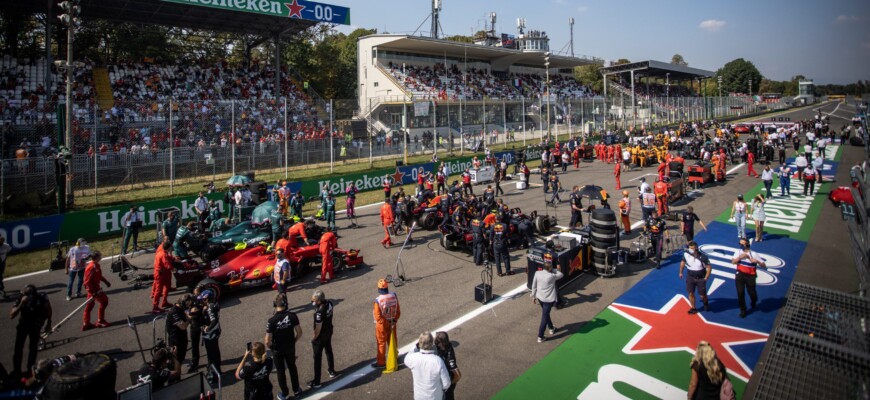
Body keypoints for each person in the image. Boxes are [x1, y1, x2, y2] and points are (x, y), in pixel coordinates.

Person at [10, 284, 52, 376]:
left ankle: (30, 368)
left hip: (35, 326)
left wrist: (49, 322)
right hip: (23, 326)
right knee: (18, 349)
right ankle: (17, 370)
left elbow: (48, 309)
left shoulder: (42, 297)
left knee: (33, 348)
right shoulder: (21, 298)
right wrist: (21, 303)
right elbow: (11, 315)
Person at [266, 293, 302, 399]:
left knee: (280, 371)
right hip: (290, 347)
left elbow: (267, 340)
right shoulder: (292, 316)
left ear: (274, 304)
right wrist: (294, 341)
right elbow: (299, 332)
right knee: (292, 367)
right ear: (286, 304)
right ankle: (296, 390)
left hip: (277, 350)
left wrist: (271, 348)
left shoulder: (271, 321)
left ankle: (285, 394)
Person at [404, 331, 451, 400]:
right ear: (432, 344)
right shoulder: (437, 361)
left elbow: (407, 358)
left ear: (419, 343)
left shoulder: (413, 358)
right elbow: (446, 384)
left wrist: (416, 345)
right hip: (435, 397)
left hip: (419, 396)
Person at [308, 289, 337, 389]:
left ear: (319, 300)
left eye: (314, 300)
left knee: (317, 358)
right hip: (329, 331)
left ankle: (317, 381)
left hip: (321, 335)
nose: (313, 302)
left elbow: (318, 327)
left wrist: (314, 337)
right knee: (329, 351)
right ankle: (332, 370)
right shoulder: (330, 303)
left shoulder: (319, 311)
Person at [731, 239, 767, 318]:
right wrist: (740, 257)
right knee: (740, 293)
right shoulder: (738, 252)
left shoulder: (754, 254)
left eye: (742, 244)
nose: (740, 246)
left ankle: (754, 300)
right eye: (740, 244)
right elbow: (733, 262)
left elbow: (764, 265)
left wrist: (757, 261)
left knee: (752, 292)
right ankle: (743, 310)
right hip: (740, 274)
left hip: (750, 275)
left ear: (747, 245)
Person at [531, 258, 564, 343]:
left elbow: (534, 286)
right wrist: (553, 269)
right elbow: (561, 274)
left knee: (546, 314)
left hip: (540, 297)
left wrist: (533, 296)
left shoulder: (537, 273)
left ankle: (551, 328)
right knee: (544, 317)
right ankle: (540, 336)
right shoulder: (552, 276)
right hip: (548, 300)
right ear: (550, 268)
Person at [373, 278, 400, 369]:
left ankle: (381, 362)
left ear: (379, 289)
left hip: (382, 325)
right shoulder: (394, 296)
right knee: (393, 340)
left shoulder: (378, 300)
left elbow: (378, 316)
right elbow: (398, 311)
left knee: (381, 343)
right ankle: (395, 356)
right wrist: (394, 320)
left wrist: (386, 323)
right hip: (393, 322)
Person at [679, 241, 712, 314]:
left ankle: (705, 302)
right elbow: (683, 262)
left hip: (700, 278)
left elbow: (709, 267)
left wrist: (706, 278)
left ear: (696, 248)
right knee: (690, 293)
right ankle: (693, 308)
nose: (690, 249)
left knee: (702, 295)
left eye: (692, 248)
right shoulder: (686, 254)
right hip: (690, 277)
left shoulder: (703, 257)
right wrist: (681, 272)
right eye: (690, 248)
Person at [82, 251, 110, 331]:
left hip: (95, 288)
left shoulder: (96, 265)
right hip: (94, 289)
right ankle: (100, 320)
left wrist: (106, 282)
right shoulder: (92, 267)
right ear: (97, 257)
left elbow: (99, 276)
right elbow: (87, 281)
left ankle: (86, 323)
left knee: (90, 305)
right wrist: (92, 291)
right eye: (100, 256)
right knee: (104, 301)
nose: (101, 257)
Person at [200, 291, 222, 385]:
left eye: (203, 299)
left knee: (212, 354)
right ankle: (218, 370)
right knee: (215, 352)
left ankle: (214, 374)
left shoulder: (210, 307)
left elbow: (214, 320)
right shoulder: (213, 305)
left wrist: (207, 328)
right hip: (214, 332)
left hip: (211, 334)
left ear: (207, 298)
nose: (202, 301)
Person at [166, 294, 192, 366]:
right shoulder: (174, 312)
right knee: (176, 361)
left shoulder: (181, 309)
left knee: (181, 357)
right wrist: (190, 318)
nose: (188, 307)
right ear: (182, 303)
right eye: (187, 305)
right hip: (176, 341)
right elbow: (183, 326)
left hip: (182, 338)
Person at [434, 332, 461, 400]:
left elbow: (458, 375)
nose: (435, 341)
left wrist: (449, 385)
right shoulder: (441, 345)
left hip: (447, 382)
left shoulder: (449, 357)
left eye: (437, 340)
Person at [151, 241, 174, 313]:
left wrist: (174, 259)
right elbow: (167, 265)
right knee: (158, 290)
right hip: (160, 274)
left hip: (162, 273)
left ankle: (164, 302)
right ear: (168, 248)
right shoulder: (163, 255)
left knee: (167, 286)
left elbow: (168, 257)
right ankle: (155, 307)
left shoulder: (162, 252)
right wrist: (174, 269)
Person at [187, 292, 206, 372]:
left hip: (196, 327)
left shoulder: (195, 308)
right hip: (201, 325)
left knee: (195, 346)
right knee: (196, 346)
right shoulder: (202, 305)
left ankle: (195, 363)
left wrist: (185, 313)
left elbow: (190, 316)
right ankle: (195, 362)